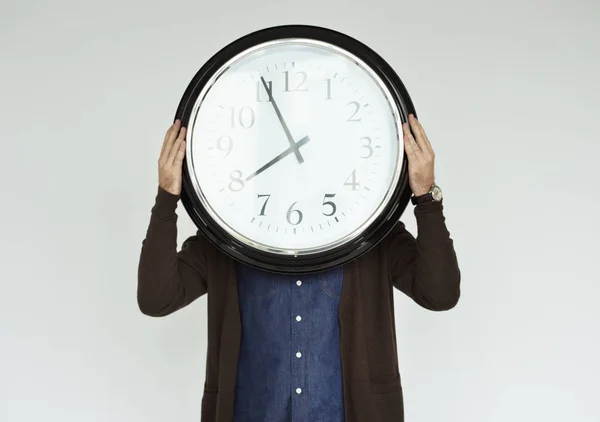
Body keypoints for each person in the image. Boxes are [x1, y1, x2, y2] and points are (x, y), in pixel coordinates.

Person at [137, 114, 461, 422]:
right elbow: (157, 299)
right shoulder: (227, 236)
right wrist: (167, 197)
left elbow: (439, 294)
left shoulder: (372, 232)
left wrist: (426, 197)